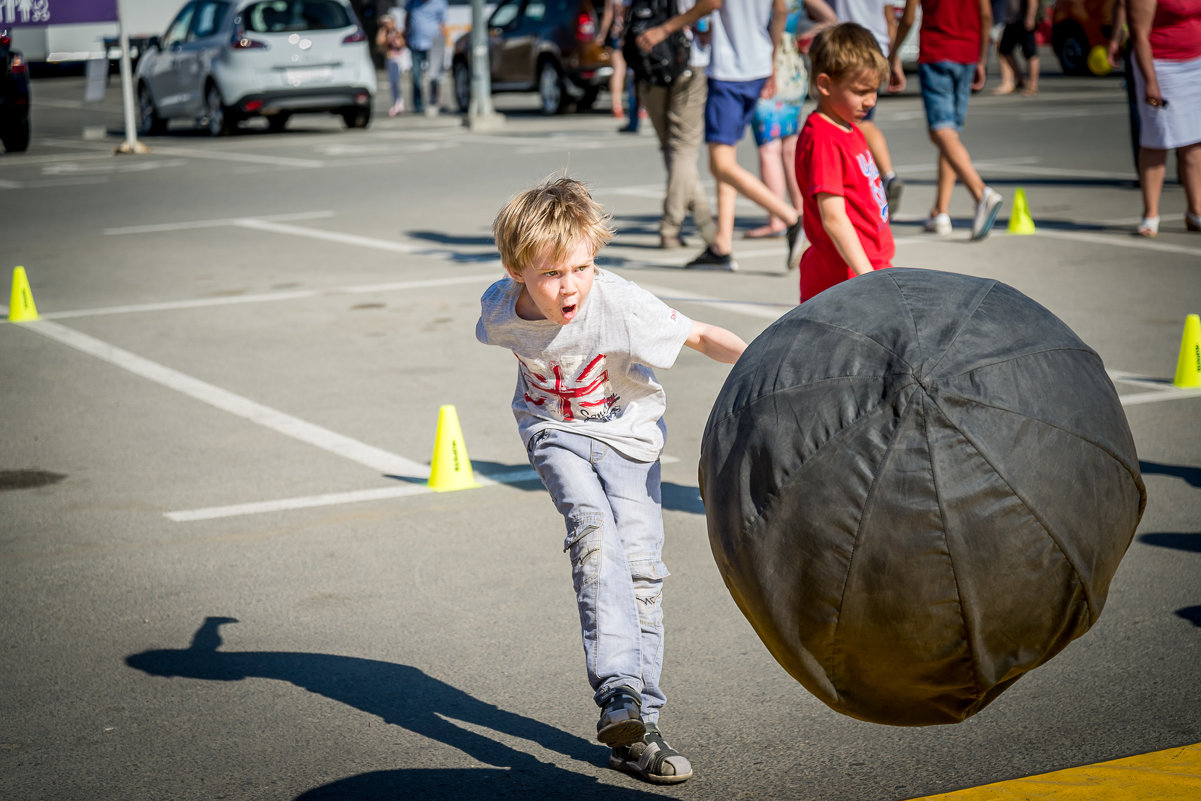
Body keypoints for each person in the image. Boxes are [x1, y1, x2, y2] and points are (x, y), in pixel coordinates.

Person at [476, 177, 747, 784]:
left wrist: (768, 359)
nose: (569, 285)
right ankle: (618, 691)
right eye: (550, 274)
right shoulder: (499, 309)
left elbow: (700, 336)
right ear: (517, 270)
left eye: (581, 267)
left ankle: (639, 731)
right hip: (555, 431)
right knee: (593, 531)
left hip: (629, 441)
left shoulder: (619, 302)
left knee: (643, 570)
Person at [636, 0, 807, 272]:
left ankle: (790, 218)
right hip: (757, 64)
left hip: (729, 71)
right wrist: (771, 58)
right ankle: (722, 246)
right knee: (727, 160)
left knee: (721, 164)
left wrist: (665, 29)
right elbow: (781, 10)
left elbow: (710, 3)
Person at [795, 22, 895, 301]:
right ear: (825, 84)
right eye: (861, 91)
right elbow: (834, 218)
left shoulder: (848, 128)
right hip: (844, 279)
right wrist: (868, 277)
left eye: (874, 90)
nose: (870, 100)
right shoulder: (823, 138)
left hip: (867, 269)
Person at [889, 0, 1005, 240]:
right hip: (967, 54)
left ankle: (981, 193)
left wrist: (893, 54)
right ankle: (941, 212)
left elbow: (909, 18)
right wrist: (981, 59)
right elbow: (985, 16)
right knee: (950, 135)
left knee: (940, 131)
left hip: (937, 53)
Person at [745, 0, 836, 240]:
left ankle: (778, 219)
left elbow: (779, 10)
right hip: (793, 66)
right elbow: (830, 18)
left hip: (769, 64)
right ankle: (800, 211)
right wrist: (802, 36)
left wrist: (773, 53)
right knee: (788, 144)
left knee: (769, 146)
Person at [634, 0, 720, 249]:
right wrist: (668, 28)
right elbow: (711, 4)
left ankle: (706, 225)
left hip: (649, 61)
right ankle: (670, 227)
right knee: (682, 149)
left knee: (673, 149)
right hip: (687, 59)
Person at [1126, 0, 1201, 237]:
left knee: (1194, 140)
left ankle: (1195, 211)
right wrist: (1150, 81)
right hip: (1161, 65)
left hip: (1196, 63)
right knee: (1157, 139)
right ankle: (1151, 214)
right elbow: (1139, 33)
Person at [830, 0, 905, 211]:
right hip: (875, 50)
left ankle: (875, 181)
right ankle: (885, 176)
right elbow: (890, 19)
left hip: (844, 51)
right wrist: (894, 59)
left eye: (870, 93)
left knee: (855, 123)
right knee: (858, 123)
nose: (870, 99)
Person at [403, 0, 448, 114]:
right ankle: (418, 105)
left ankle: (433, 103)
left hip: (434, 44)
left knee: (434, 75)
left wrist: (443, 44)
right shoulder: (412, 2)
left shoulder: (439, 2)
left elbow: (443, 25)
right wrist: (406, 35)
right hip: (415, 43)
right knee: (416, 76)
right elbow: (407, 18)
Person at [994, 0, 1040, 95]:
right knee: (1004, 50)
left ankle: (1033, 85)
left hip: (1023, 20)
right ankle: (1020, 79)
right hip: (1011, 21)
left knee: (1030, 52)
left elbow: (1033, 1)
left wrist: (1030, 17)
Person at [376, 14, 408, 117]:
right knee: (391, 83)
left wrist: (397, 35)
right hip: (389, 59)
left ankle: (399, 103)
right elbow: (379, 42)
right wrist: (383, 29)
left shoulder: (397, 32)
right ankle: (397, 103)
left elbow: (402, 44)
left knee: (395, 81)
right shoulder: (384, 32)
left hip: (398, 59)